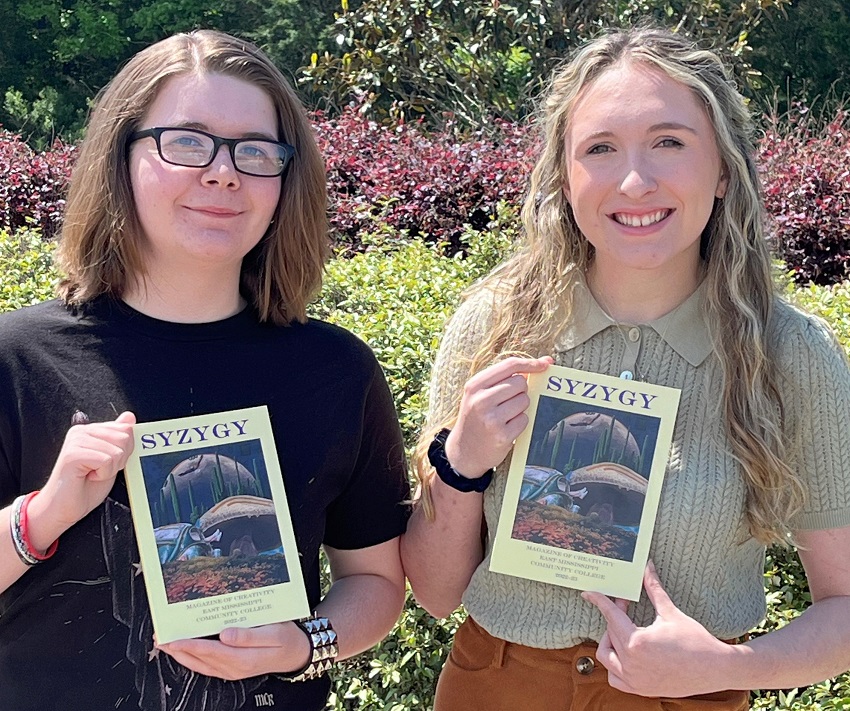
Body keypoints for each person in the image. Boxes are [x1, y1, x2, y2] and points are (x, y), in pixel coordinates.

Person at [401, 25, 850, 711]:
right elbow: (434, 594)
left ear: (724, 168)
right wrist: (462, 462)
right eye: (600, 149)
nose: (635, 181)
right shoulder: (494, 328)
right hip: (495, 686)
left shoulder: (791, 354)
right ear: (565, 176)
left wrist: (727, 663)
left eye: (669, 142)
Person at [0, 30, 410, 711]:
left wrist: (307, 642)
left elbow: (376, 580)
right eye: (186, 141)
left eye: (255, 151)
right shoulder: (17, 358)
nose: (224, 172)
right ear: (120, 155)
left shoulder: (336, 370)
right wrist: (40, 516)